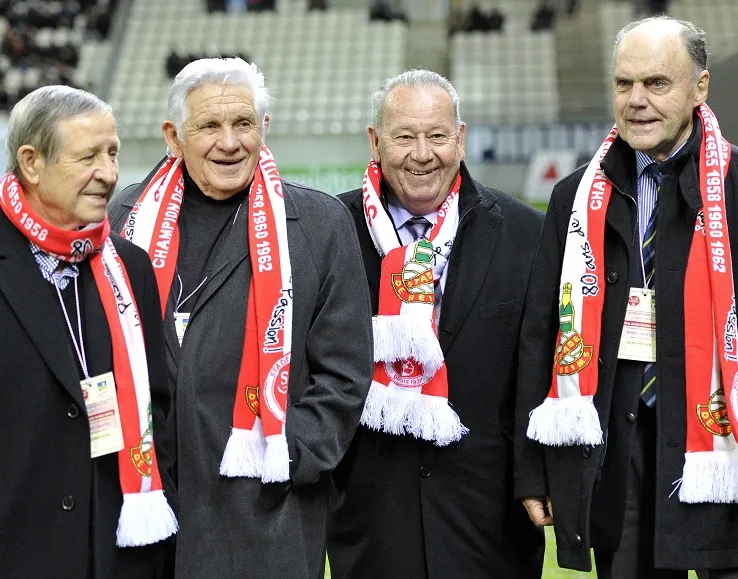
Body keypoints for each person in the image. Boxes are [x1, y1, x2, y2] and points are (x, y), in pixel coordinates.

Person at [108, 57, 373, 579]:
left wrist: (284, 454)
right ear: (173, 135)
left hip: (265, 522)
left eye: (244, 123)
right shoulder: (124, 219)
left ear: (264, 128)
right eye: (209, 125)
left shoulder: (319, 225)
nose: (229, 143)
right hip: (145, 514)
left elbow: (345, 374)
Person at [516, 16, 738, 579]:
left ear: (700, 87)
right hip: (619, 451)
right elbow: (541, 333)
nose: (636, 100)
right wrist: (533, 470)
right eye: (624, 84)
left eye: (657, 84)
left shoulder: (735, 186)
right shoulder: (574, 196)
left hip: (722, 448)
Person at [328, 69, 545, 579]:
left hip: (489, 530)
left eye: (438, 136)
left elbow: (536, 373)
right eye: (404, 137)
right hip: (371, 526)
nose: (422, 154)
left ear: (461, 138)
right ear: (375, 142)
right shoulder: (330, 233)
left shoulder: (525, 234)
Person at [0, 85, 177, 578]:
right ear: (31, 162)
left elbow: (156, 407)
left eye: (113, 153)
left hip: (116, 551)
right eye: (88, 157)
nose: (109, 174)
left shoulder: (132, 267)